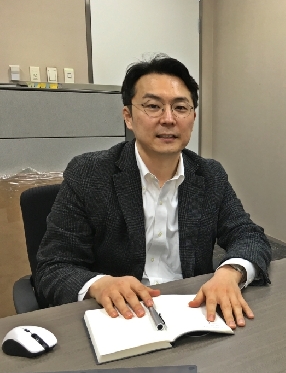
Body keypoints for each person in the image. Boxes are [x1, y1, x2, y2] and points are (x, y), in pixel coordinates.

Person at [35, 54, 271, 329]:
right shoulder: (89, 174)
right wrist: (99, 284)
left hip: (194, 313)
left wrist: (230, 272)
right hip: (119, 317)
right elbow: (53, 266)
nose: (168, 119)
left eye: (180, 108)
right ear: (128, 117)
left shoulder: (209, 175)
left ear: (193, 118)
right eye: (153, 107)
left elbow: (248, 235)